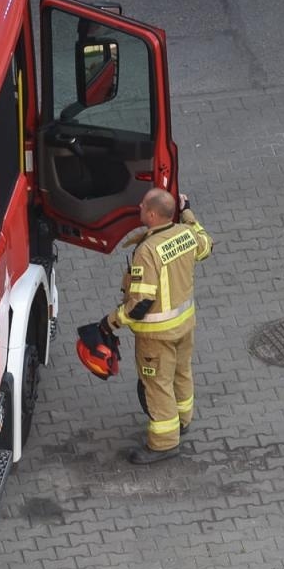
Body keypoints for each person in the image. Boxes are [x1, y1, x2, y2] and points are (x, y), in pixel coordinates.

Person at [102, 188, 213, 464]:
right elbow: (206, 244)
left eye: (142, 205)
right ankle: (182, 420)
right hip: (184, 326)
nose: (138, 206)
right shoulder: (185, 234)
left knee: (157, 385)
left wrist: (110, 322)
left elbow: (141, 303)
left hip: (157, 336)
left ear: (152, 214)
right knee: (181, 372)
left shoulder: (147, 251)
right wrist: (187, 211)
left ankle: (164, 443)